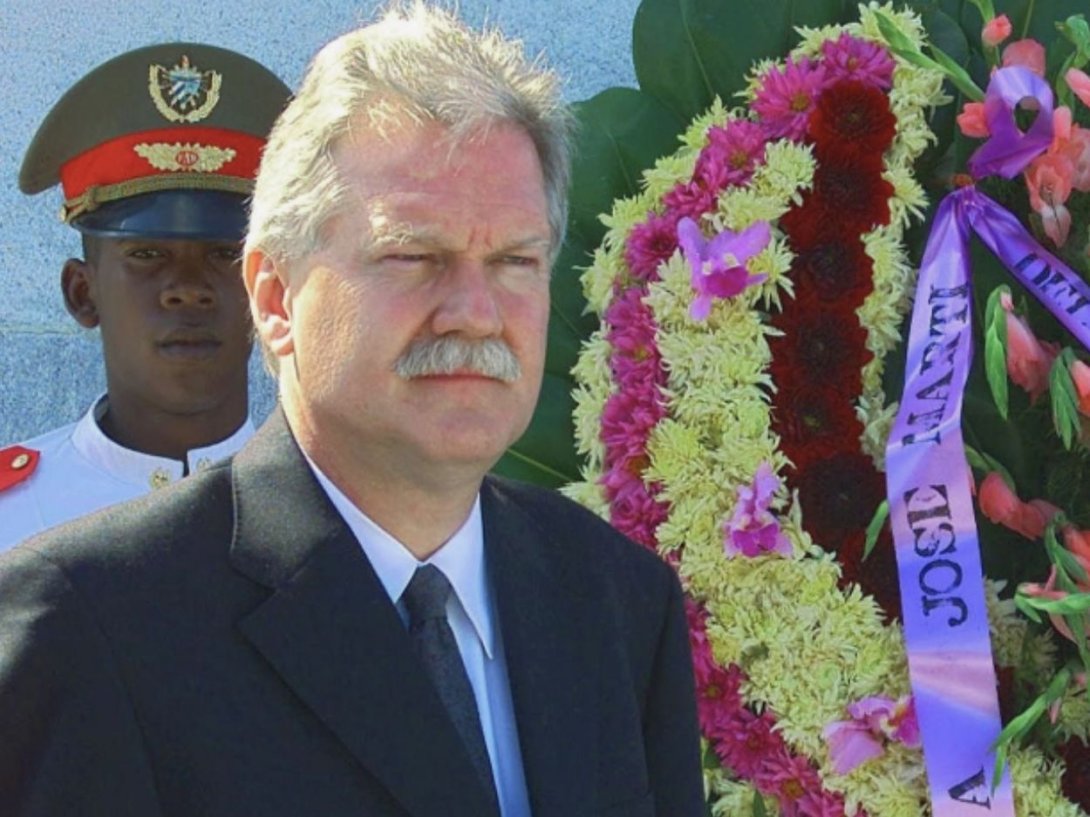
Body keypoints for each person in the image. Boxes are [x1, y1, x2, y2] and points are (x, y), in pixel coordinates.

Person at [0, 5, 704, 816]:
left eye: (514, 260)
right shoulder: (93, 626)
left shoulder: (616, 601)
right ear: (273, 296)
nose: (475, 311)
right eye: (413, 255)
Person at [0, 43, 291, 551]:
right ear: (81, 293)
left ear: (273, 292)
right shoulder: (13, 521)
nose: (187, 289)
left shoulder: (340, 511)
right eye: (147, 254)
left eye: (224, 253)